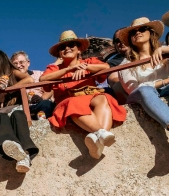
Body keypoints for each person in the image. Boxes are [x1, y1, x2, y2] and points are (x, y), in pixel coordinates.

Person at [40, 30, 125, 159]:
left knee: (104, 98)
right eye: (63, 47)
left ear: (79, 50)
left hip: (91, 96)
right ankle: (101, 132)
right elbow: (43, 80)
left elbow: (106, 67)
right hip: (69, 100)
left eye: (71, 45)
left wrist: (85, 67)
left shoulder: (89, 61)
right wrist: (68, 69)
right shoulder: (55, 68)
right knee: (73, 103)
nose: (67, 48)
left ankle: (98, 142)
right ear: (59, 54)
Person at [119, 17, 169, 156]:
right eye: (133, 32)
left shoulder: (165, 51)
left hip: (167, 89)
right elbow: (134, 88)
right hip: (143, 94)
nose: (137, 32)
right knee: (145, 89)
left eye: (142, 29)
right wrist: (167, 80)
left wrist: (165, 49)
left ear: (151, 33)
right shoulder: (126, 63)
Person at [11, 50, 54, 119]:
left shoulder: (40, 74)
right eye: (15, 64)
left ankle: (40, 117)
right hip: (22, 107)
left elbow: (50, 89)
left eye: (21, 62)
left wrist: (41, 98)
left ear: (28, 63)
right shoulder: (11, 81)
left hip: (40, 104)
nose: (18, 66)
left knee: (47, 104)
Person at [105, 29, 130, 104]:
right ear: (115, 45)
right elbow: (113, 79)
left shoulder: (145, 54)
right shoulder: (112, 62)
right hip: (130, 89)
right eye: (118, 41)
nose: (121, 42)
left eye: (124, 38)